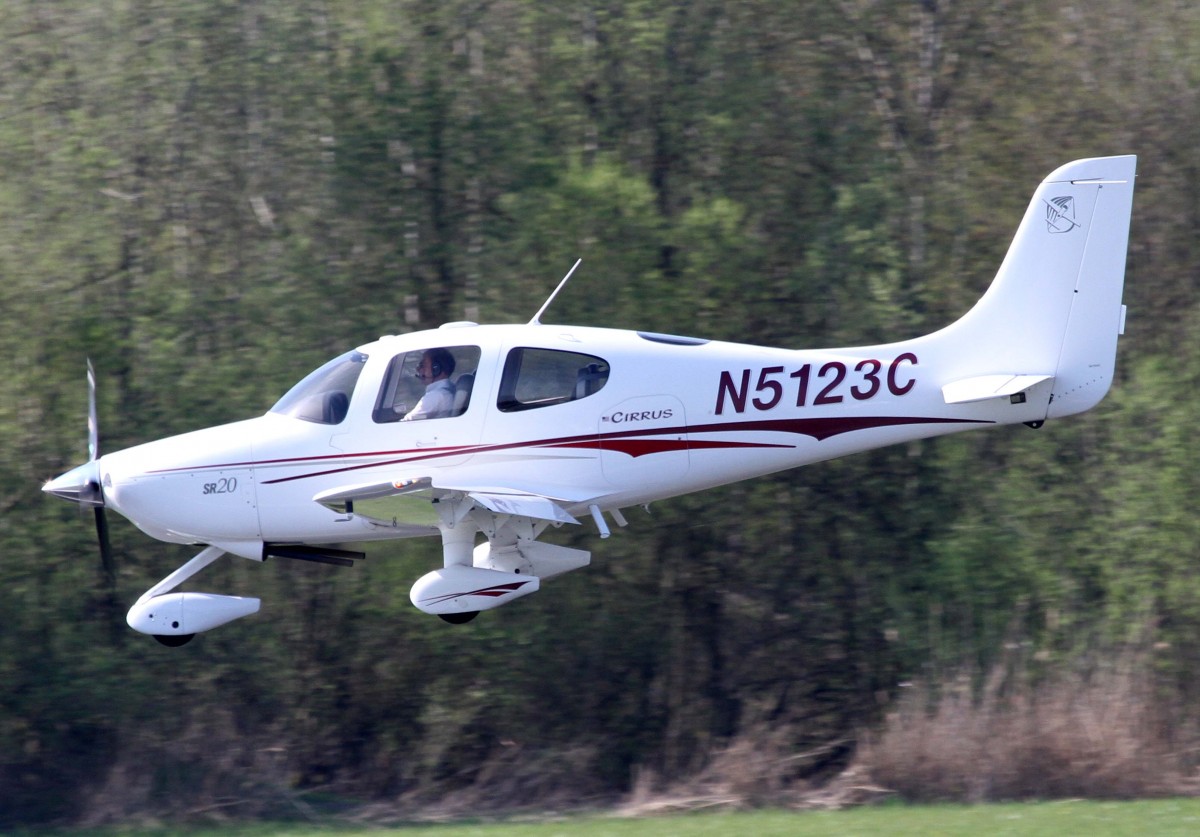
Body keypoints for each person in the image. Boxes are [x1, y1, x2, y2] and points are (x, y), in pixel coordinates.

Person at [402, 348, 456, 421]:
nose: (418, 369)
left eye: (423, 365)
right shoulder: (449, 389)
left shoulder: (437, 396)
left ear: (436, 369)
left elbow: (408, 421)